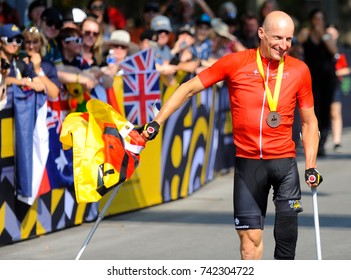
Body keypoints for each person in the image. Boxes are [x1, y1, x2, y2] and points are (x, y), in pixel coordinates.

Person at [138, 11, 323, 260]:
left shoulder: (299, 70)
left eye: (289, 39)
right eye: (278, 37)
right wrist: (156, 121)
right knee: (249, 244)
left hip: (284, 165)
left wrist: (310, 166)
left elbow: (310, 123)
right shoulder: (236, 62)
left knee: (286, 243)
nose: (284, 45)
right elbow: (188, 88)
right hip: (248, 165)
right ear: (261, 33)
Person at [302, 9, 339, 157]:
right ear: (311, 20)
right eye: (315, 19)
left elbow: (334, 51)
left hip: (327, 78)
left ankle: (322, 142)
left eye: (320, 19)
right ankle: (312, 141)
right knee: (312, 110)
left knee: (325, 110)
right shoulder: (306, 33)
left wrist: (323, 35)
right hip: (311, 78)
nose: (318, 22)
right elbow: (297, 43)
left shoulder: (326, 35)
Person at [21, 26, 60, 99]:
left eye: (35, 42)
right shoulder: (17, 61)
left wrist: (38, 70)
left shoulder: (48, 65)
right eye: (28, 42)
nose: (31, 46)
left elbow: (54, 94)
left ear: (41, 43)